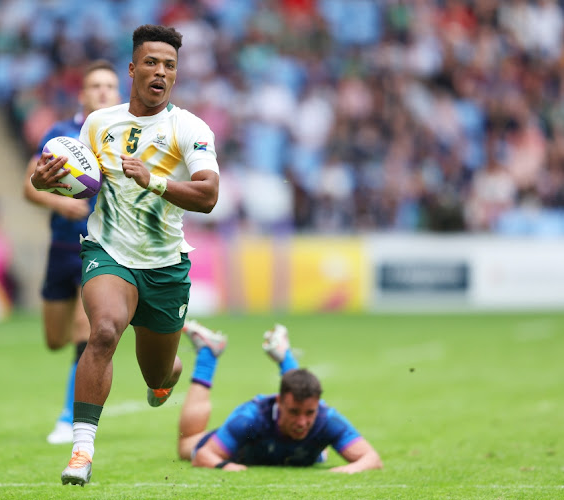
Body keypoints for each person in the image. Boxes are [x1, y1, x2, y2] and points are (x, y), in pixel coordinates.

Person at [30, 24, 220, 486]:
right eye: (151, 63)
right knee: (104, 332)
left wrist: (153, 179)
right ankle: (81, 452)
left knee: (157, 371)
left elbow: (209, 194)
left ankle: (169, 374)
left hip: (165, 266)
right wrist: (46, 178)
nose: (160, 72)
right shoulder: (99, 124)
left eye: (169, 65)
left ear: (176, 75)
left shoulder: (189, 128)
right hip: (108, 251)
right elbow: (60, 181)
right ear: (133, 69)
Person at [23, 60, 120, 444]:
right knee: (54, 339)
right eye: (95, 85)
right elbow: (29, 185)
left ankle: (69, 418)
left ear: (118, 94)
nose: (102, 92)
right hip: (61, 247)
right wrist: (59, 202)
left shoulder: (123, 137)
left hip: (97, 249)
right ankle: (91, 368)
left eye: (109, 86)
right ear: (81, 93)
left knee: (86, 329)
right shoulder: (61, 136)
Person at [178, 320, 383, 473]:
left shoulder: (326, 418)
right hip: (241, 443)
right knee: (186, 445)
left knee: (317, 450)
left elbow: (372, 458)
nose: (302, 422)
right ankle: (208, 354)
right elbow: (203, 455)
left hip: (288, 449)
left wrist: (347, 470)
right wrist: (225, 466)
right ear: (279, 402)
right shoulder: (250, 418)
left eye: (309, 413)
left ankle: (285, 356)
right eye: (294, 412)